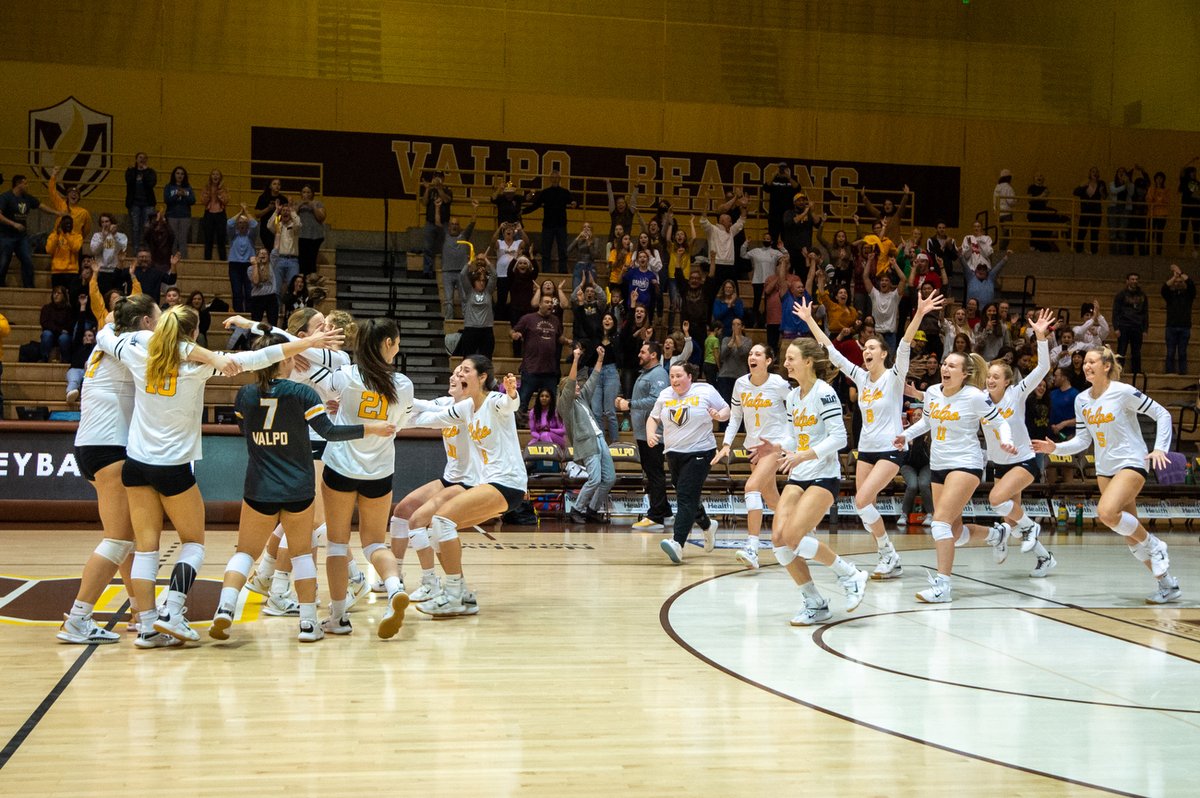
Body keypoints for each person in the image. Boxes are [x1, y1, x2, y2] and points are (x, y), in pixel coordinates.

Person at [96, 304, 339, 647]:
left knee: (147, 549)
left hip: (136, 464)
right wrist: (307, 343)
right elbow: (262, 358)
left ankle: (147, 625)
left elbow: (108, 338)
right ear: (194, 334)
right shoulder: (198, 368)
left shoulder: (138, 356)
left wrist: (109, 323)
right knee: (193, 543)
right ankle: (173, 609)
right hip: (173, 467)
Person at [210, 331, 395, 643]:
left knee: (245, 552)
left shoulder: (244, 395)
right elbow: (330, 433)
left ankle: (225, 609)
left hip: (259, 486)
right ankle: (309, 624)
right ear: (282, 360)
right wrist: (370, 428)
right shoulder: (301, 394)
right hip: (298, 487)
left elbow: (243, 427)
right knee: (300, 555)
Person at [801, 288, 941, 577]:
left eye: (872, 348)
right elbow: (831, 351)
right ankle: (888, 556)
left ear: (883, 354)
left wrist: (919, 313)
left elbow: (904, 344)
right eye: (865, 348)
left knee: (862, 501)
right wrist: (809, 320)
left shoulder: (894, 376)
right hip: (866, 448)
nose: (866, 351)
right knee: (865, 506)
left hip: (892, 447)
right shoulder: (861, 377)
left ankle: (889, 555)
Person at [1033, 348, 1178, 603]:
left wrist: (1159, 448)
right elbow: (1082, 440)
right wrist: (1056, 448)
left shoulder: (1122, 392)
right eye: (1085, 362)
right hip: (1104, 468)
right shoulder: (1082, 400)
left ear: (1106, 366)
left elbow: (1162, 414)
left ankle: (1156, 545)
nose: (1086, 366)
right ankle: (1167, 585)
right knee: (1131, 536)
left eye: (1092, 361)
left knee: (1107, 513)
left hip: (1132, 461)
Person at [56, 295, 160, 644]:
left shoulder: (105, 343)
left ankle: (138, 610)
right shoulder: (134, 342)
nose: (161, 323)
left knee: (124, 539)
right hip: (110, 447)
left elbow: (106, 330)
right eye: (158, 316)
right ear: (145, 321)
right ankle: (78, 618)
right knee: (118, 540)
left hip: (89, 446)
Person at [753, 338, 868, 625]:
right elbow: (794, 436)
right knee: (779, 542)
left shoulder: (825, 393)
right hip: (799, 473)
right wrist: (776, 447)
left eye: (791, 358)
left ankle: (850, 575)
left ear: (807, 361)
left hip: (823, 475)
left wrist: (804, 456)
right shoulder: (793, 396)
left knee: (794, 537)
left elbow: (840, 438)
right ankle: (815, 602)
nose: (786, 363)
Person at [895, 351, 1015, 603]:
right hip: (938, 466)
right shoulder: (932, 393)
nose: (945, 368)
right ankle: (997, 535)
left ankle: (943, 586)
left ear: (965, 373)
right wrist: (906, 435)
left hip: (965, 464)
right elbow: (927, 422)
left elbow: (1001, 422)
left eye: (952, 365)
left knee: (939, 524)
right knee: (956, 533)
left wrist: (1006, 440)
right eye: (944, 363)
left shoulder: (974, 396)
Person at [318, 318, 413, 637]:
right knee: (373, 542)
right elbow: (400, 424)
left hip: (341, 467)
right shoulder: (403, 384)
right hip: (380, 472)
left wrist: (336, 407)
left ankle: (339, 617)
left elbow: (322, 393)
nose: (398, 348)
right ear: (387, 343)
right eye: (397, 342)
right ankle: (394, 587)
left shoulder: (345, 376)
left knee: (336, 542)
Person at [410, 356, 526, 617]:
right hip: (491, 483)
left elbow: (510, 404)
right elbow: (432, 418)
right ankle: (462, 593)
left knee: (441, 520)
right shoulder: (465, 408)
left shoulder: (494, 401)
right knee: (437, 528)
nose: (458, 374)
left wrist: (512, 393)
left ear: (482, 377)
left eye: (465, 370)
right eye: (458, 369)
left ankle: (452, 594)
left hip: (508, 482)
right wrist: (393, 422)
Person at [972, 309, 1058, 577]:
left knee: (997, 499)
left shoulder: (1017, 393)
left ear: (1008, 381)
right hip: (999, 464)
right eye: (989, 376)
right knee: (1011, 517)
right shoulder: (981, 399)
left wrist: (1041, 338)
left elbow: (1043, 368)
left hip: (1023, 461)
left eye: (997, 376)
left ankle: (1025, 529)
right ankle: (1044, 558)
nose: (991, 379)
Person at [389, 366, 478, 604]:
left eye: (460, 375)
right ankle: (393, 576)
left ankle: (431, 583)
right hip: (449, 477)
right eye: (454, 372)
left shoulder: (472, 408)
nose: (453, 377)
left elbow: (426, 413)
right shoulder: (444, 402)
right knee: (402, 512)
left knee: (419, 522)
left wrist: (402, 410)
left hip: (469, 481)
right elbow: (416, 410)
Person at [711, 344, 790, 569]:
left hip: (773, 446)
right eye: (751, 354)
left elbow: (797, 407)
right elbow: (735, 417)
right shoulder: (740, 384)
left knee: (751, 487)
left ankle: (752, 548)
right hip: (753, 447)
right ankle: (801, 529)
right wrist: (726, 443)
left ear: (768, 361)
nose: (752, 357)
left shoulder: (778, 384)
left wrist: (789, 442)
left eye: (758, 354)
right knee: (772, 498)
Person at [647, 362, 728, 563]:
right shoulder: (665, 395)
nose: (674, 380)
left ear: (690, 376)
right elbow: (653, 418)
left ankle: (678, 543)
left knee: (684, 496)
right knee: (688, 497)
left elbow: (727, 409)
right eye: (672, 376)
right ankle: (708, 526)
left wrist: (719, 416)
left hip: (700, 451)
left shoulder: (705, 390)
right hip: (673, 453)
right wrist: (650, 433)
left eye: (679, 376)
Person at [618, 341, 671, 530]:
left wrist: (629, 404)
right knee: (652, 472)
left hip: (654, 435)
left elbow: (657, 400)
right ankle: (665, 511)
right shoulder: (647, 374)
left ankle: (656, 517)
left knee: (655, 475)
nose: (639, 354)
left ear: (654, 355)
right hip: (643, 434)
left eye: (643, 352)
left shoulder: (658, 374)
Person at [560, 344, 616, 524]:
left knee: (609, 479)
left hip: (600, 439)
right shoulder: (565, 405)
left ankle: (592, 510)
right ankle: (576, 509)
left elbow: (592, 380)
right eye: (575, 385)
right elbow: (570, 384)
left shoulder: (581, 398)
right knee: (595, 478)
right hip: (586, 443)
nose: (578, 386)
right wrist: (575, 359)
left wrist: (600, 359)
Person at [1, 174, 62, 287]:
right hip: (6, 235)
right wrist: (14, 224)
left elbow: (41, 206)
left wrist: (57, 213)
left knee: (27, 260)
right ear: (18, 184)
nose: (27, 185)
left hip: (21, 237)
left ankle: (28, 286)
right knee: (4, 261)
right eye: (25, 183)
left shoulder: (27, 198)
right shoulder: (6, 197)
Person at [512, 293, 567, 415]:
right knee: (523, 400)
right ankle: (517, 423)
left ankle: (550, 424)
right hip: (531, 368)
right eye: (547, 302)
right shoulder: (528, 318)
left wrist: (568, 341)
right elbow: (514, 330)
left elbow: (559, 337)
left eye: (551, 303)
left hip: (550, 370)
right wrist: (515, 335)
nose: (550, 304)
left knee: (552, 401)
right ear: (540, 304)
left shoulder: (556, 320)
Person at [524, 169, 576, 273]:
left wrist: (575, 203)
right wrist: (523, 211)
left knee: (562, 250)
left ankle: (563, 271)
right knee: (546, 250)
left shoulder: (565, 192)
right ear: (550, 179)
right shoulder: (545, 193)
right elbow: (536, 205)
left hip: (561, 225)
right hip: (548, 225)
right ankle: (546, 271)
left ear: (559, 179)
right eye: (553, 177)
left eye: (557, 177)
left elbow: (573, 201)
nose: (555, 179)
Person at [438, 199, 478, 319]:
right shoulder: (444, 236)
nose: (454, 226)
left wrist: (475, 209)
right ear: (449, 226)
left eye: (456, 224)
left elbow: (472, 223)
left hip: (462, 272)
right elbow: (437, 222)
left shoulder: (464, 236)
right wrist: (437, 207)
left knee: (465, 299)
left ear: (459, 227)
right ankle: (449, 322)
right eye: (452, 224)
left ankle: (467, 322)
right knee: (448, 300)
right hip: (447, 272)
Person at [458, 254, 497, 358]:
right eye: (479, 280)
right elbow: (462, 275)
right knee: (468, 358)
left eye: (483, 280)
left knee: (486, 358)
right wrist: (470, 261)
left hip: (486, 329)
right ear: (474, 281)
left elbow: (494, 275)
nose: (481, 283)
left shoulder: (488, 292)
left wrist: (486, 260)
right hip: (471, 328)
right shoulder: (469, 291)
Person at [1112, 272, 1149, 376]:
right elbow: (1115, 312)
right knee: (1121, 350)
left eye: (1136, 279)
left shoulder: (1142, 295)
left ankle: (1136, 372)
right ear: (1127, 281)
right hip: (1124, 326)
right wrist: (1116, 327)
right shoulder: (1121, 295)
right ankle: (1119, 371)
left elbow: (1145, 313)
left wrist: (1145, 329)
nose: (1134, 281)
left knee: (1136, 351)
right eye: (1132, 279)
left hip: (1137, 326)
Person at [1162, 264, 1195, 374]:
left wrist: (1179, 273)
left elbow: (1191, 284)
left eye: (1180, 282)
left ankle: (1183, 373)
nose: (1178, 283)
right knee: (1170, 352)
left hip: (1185, 327)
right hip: (1171, 327)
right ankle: (1169, 372)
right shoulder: (1170, 295)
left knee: (1182, 352)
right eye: (1176, 282)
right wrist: (1174, 277)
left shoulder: (1189, 295)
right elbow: (1164, 288)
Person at [227, 205, 258, 313]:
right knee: (236, 291)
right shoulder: (233, 235)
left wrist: (246, 212)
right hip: (234, 265)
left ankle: (249, 312)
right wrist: (240, 213)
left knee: (249, 291)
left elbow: (254, 224)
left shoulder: (251, 236)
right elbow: (229, 223)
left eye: (244, 223)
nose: (242, 225)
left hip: (248, 265)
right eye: (240, 223)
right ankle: (238, 312)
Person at [421, 171, 452, 278]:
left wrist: (439, 188)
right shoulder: (430, 191)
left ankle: (445, 271)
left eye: (439, 177)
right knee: (427, 248)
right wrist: (427, 188)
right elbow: (424, 202)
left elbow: (447, 200)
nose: (437, 179)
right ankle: (427, 271)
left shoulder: (447, 191)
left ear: (443, 179)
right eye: (436, 177)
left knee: (445, 248)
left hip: (444, 224)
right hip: (430, 223)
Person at [270, 200, 301, 304]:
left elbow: (299, 224)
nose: (285, 212)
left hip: (293, 261)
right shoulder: (277, 225)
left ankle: (291, 313)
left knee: (293, 289)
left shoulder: (295, 227)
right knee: (276, 289)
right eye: (283, 210)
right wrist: (276, 211)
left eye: (287, 210)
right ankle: (276, 313)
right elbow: (269, 226)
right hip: (279, 260)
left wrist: (292, 211)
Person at [123, 153, 157, 249]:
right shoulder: (131, 171)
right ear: (136, 159)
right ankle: (136, 249)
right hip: (134, 203)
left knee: (147, 227)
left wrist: (145, 171)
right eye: (140, 157)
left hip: (148, 203)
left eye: (144, 158)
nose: (142, 159)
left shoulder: (150, 172)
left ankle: (147, 248)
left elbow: (152, 184)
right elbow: (129, 182)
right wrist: (136, 170)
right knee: (135, 227)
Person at [1073, 167, 1107, 254]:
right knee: (1082, 231)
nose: (1094, 173)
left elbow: (1105, 196)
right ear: (1090, 173)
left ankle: (1094, 251)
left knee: (1095, 232)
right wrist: (1082, 185)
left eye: (1096, 172)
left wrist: (1101, 191)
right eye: (1093, 171)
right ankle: (1079, 250)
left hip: (1096, 211)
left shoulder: (1101, 183)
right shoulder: (1085, 183)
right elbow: (1075, 192)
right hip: (1085, 210)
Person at [163, 166, 195, 258]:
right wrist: (176, 195)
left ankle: (183, 259)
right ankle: (172, 259)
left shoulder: (188, 187)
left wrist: (185, 195)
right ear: (174, 175)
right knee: (173, 239)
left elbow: (193, 200)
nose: (180, 175)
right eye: (177, 173)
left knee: (183, 239)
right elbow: (167, 200)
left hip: (185, 216)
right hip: (172, 215)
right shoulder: (169, 187)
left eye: (182, 173)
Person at [296, 185, 327, 276]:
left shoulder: (318, 204)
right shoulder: (297, 204)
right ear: (301, 194)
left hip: (315, 235)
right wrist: (301, 204)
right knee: (302, 257)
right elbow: (292, 215)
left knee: (312, 256)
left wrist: (313, 206)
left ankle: (312, 274)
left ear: (312, 194)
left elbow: (321, 217)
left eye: (308, 192)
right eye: (304, 192)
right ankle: (302, 275)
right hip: (301, 235)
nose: (306, 194)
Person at [199, 169, 229, 261]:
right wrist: (208, 193)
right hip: (209, 213)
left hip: (220, 214)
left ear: (220, 177)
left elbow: (226, 200)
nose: (215, 176)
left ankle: (223, 260)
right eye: (213, 174)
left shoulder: (224, 188)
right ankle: (207, 260)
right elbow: (203, 201)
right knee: (208, 239)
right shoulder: (206, 187)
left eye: (217, 174)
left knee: (221, 239)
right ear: (210, 176)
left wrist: (219, 192)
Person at [47, 215, 83, 288]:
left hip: (72, 271)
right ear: (60, 224)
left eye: (69, 223)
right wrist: (57, 235)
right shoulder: (53, 236)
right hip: (57, 271)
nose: (68, 225)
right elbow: (49, 250)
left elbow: (75, 248)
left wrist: (67, 235)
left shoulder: (77, 236)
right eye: (66, 223)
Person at [248, 247, 278, 328]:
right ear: (256, 257)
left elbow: (275, 249)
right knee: (255, 324)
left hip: (271, 297)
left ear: (268, 257)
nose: (263, 254)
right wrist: (255, 265)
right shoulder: (250, 269)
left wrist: (278, 234)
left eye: (265, 253)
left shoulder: (271, 265)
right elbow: (256, 282)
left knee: (273, 324)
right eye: (261, 253)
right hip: (257, 298)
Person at [255, 178, 286, 253]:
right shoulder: (263, 197)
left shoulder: (283, 199)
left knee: (276, 249)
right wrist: (268, 208)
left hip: (278, 226)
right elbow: (257, 214)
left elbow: (286, 214)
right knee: (268, 248)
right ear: (270, 186)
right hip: (265, 227)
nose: (277, 186)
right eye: (274, 184)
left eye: (278, 184)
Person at [1180, 158, 1200, 256]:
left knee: (1196, 229)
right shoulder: (1185, 181)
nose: (1194, 174)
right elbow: (1182, 169)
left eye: (1195, 172)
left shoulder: (1197, 183)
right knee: (1184, 227)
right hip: (1186, 207)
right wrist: (1191, 161)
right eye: (1192, 172)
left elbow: (1198, 195)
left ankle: (1196, 250)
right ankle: (1181, 250)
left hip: (1196, 208)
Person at [993, 169, 1015, 249]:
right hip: (1007, 213)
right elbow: (1011, 201)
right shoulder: (1008, 188)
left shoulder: (997, 187)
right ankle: (1002, 249)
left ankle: (1000, 247)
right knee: (1007, 233)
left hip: (999, 213)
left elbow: (994, 201)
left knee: (1002, 233)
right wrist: (1016, 200)